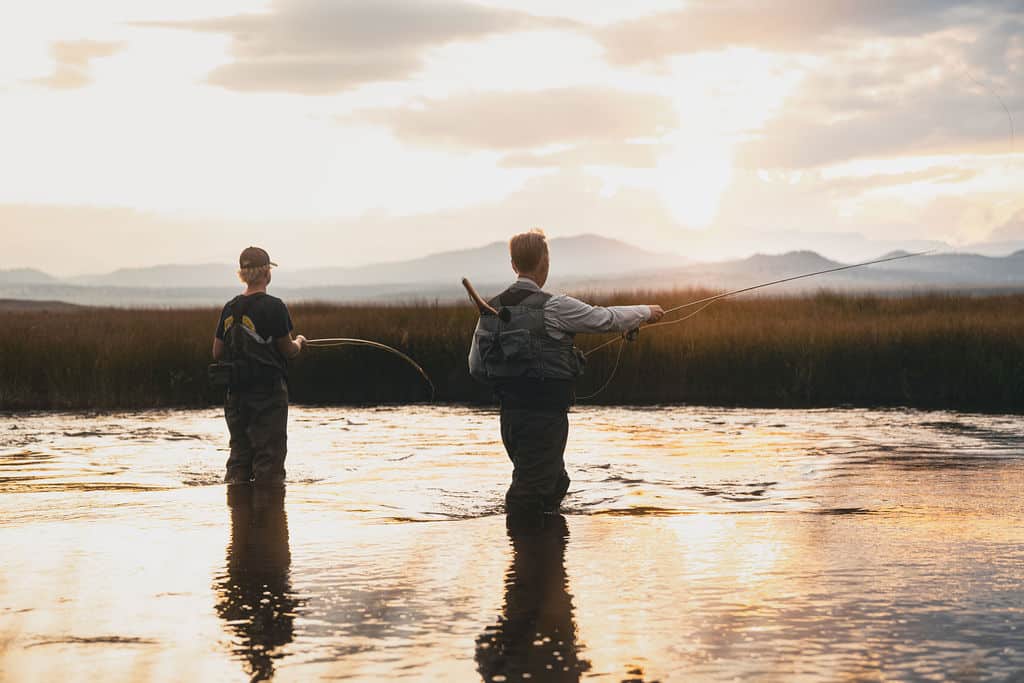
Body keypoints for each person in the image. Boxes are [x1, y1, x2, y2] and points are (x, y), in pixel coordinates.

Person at [468, 229, 664, 525]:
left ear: (513, 264)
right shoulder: (554, 306)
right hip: (544, 420)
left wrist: (512, 384)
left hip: (510, 419)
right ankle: (524, 557)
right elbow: (605, 318)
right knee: (528, 497)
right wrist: (645, 311)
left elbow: (476, 367)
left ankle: (544, 551)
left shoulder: (490, 309)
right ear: (545, 262)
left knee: (555, 484)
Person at [212, 246, 306, 486]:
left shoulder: (230, 307)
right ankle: (269, 517)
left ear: (243, 274)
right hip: (268, 395)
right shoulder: (274, 306)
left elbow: (217, 352)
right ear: (266, 273)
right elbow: (288, 350)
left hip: (235, 396)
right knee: (269, 461)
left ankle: (238, 514)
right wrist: (300, 342)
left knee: (238, 459)